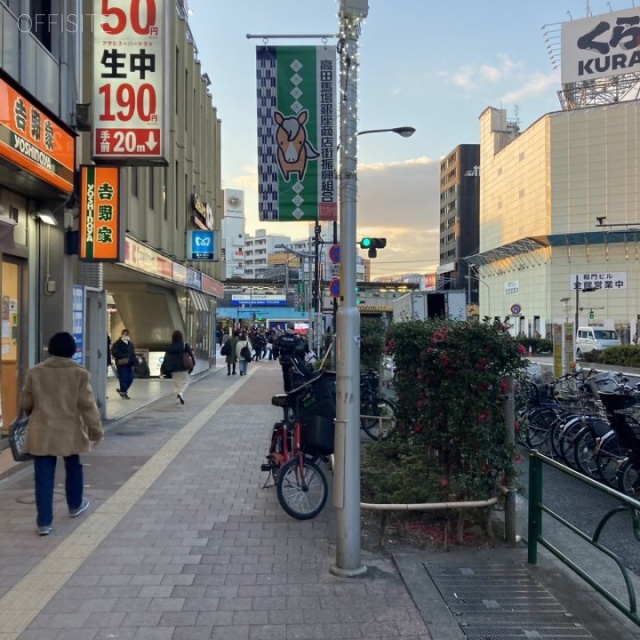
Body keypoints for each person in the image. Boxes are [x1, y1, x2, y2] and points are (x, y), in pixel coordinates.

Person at [19, 332, 103, 536]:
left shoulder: (35, 372)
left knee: (43, 476)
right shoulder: (79, 374)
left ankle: (44, 523)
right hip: (70, 430)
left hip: (42, 431)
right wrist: (95, 431)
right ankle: (75, 505)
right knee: (73, 465)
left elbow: (26, 403)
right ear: (72, 351)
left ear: (51, 349)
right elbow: (87, 406)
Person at [272, 322, 308, 392]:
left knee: (285, 375)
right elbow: (301, 348)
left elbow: (275, 346)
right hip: (294, 360)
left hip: (284, 360)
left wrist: (276, 355)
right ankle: (294, 389)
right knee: (296, 374)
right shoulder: (296, 338)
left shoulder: (281, 338)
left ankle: (287, 390)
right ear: (293, 328)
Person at [161, 330, 195, 404]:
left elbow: (165, 358)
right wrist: (193, 363)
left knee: (176, 383)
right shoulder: (184, 345)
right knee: (185, 382)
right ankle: (180, 393)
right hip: (183, 367)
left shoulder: (170, 347)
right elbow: (191, 354)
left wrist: (163, 367)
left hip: (173, 368)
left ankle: (177, 399)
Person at [111, 329, 136, 398]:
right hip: (121, 364)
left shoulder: (130, 344)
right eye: (125, 334)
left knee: (130, 378)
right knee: (123, 378)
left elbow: (133, 353)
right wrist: (124, 357)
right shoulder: (117, 344)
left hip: (129, 363)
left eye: (127, 335)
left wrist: (134, 361)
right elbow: (114, 352)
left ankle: (122, 391)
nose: (126, 336)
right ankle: (124, 393)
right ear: (122, 335)